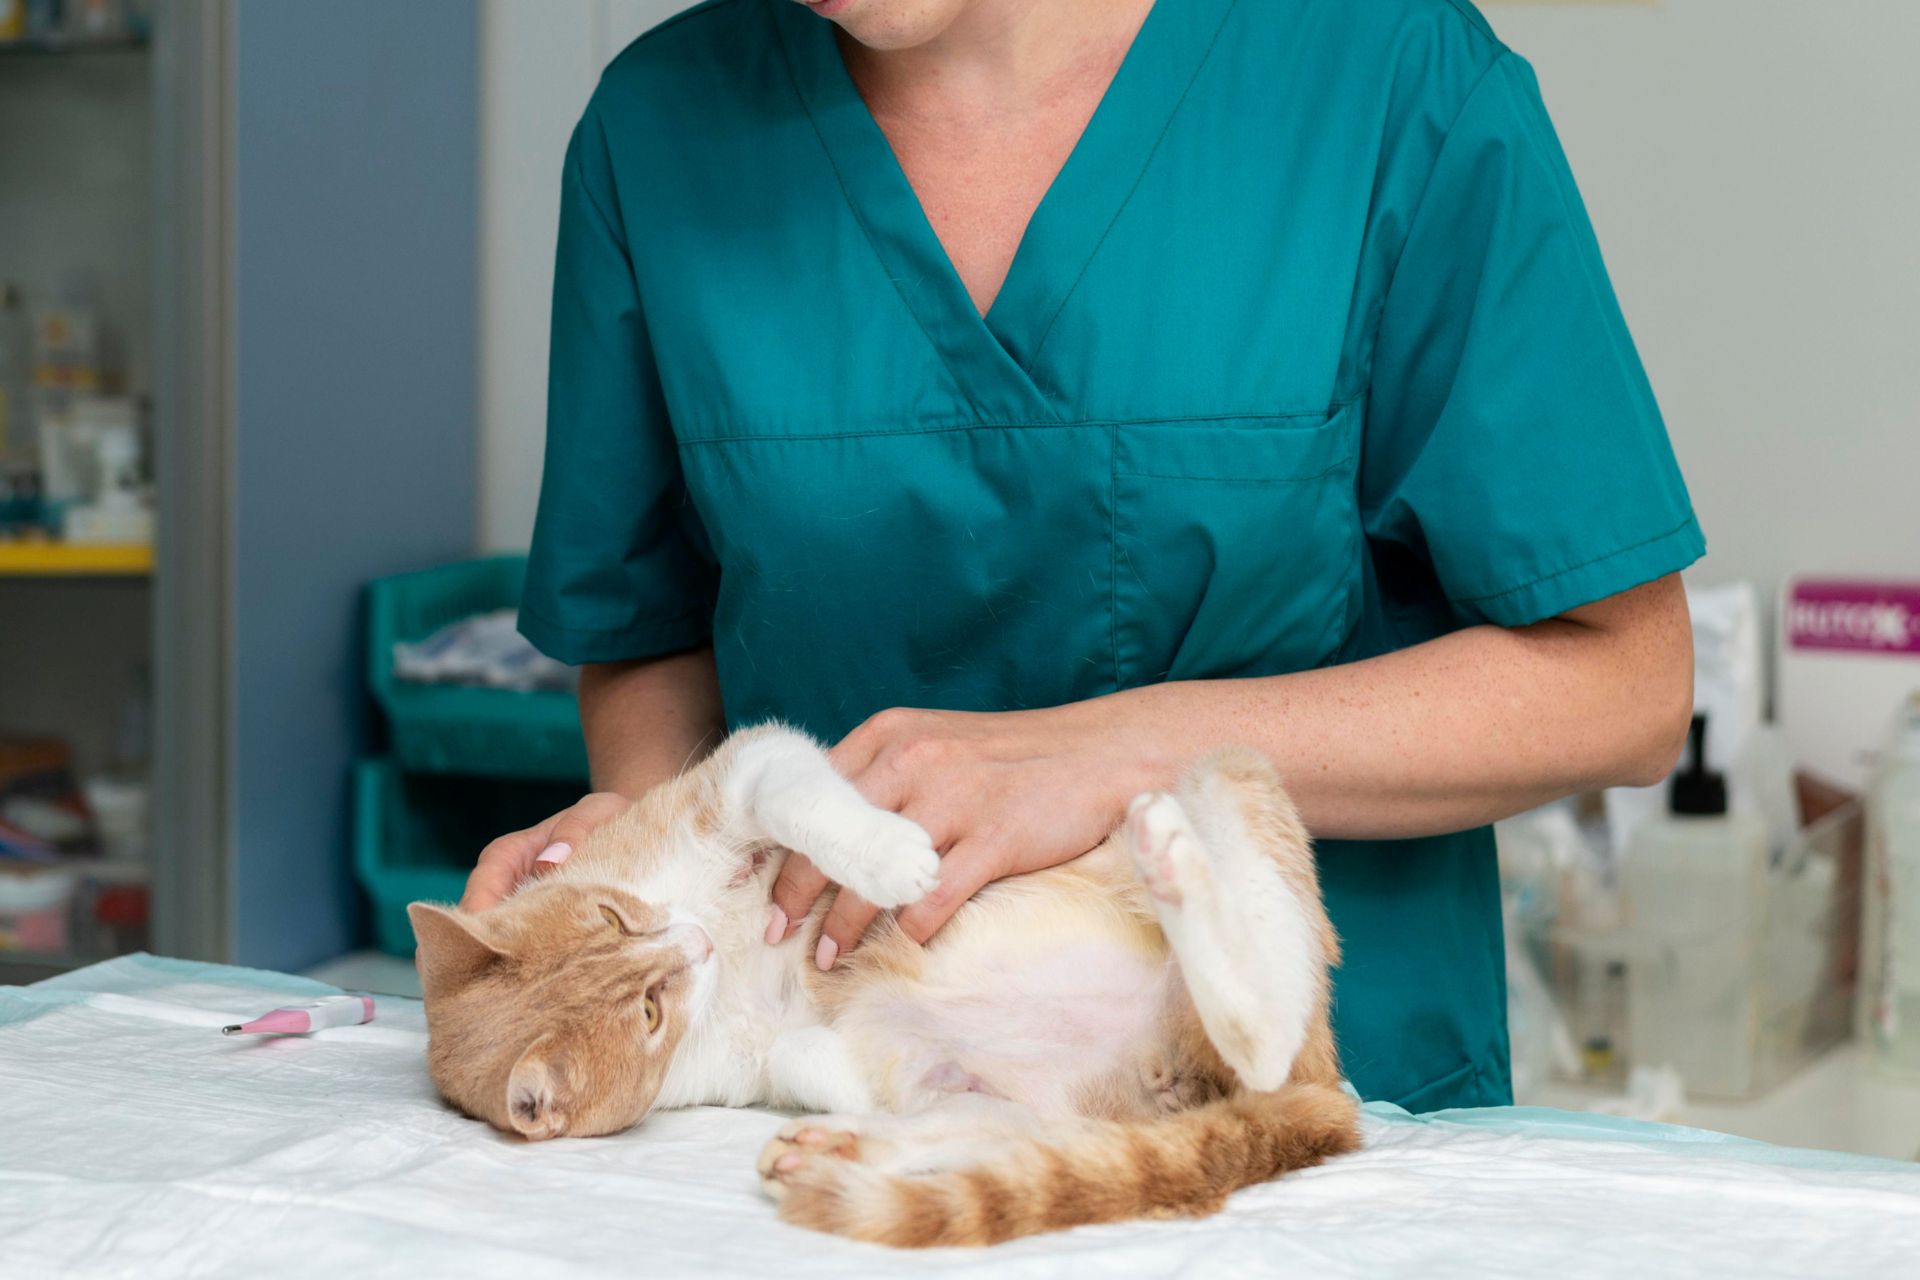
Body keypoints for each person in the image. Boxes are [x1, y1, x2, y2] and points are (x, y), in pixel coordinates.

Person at [464, 0, 1702, 1112]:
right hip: (846, 1088)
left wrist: (1116, 754)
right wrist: (638, 854)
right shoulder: (658, 130)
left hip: (1298, 1104)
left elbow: (1623, 685)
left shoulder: (1387, 81)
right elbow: (647, 634)